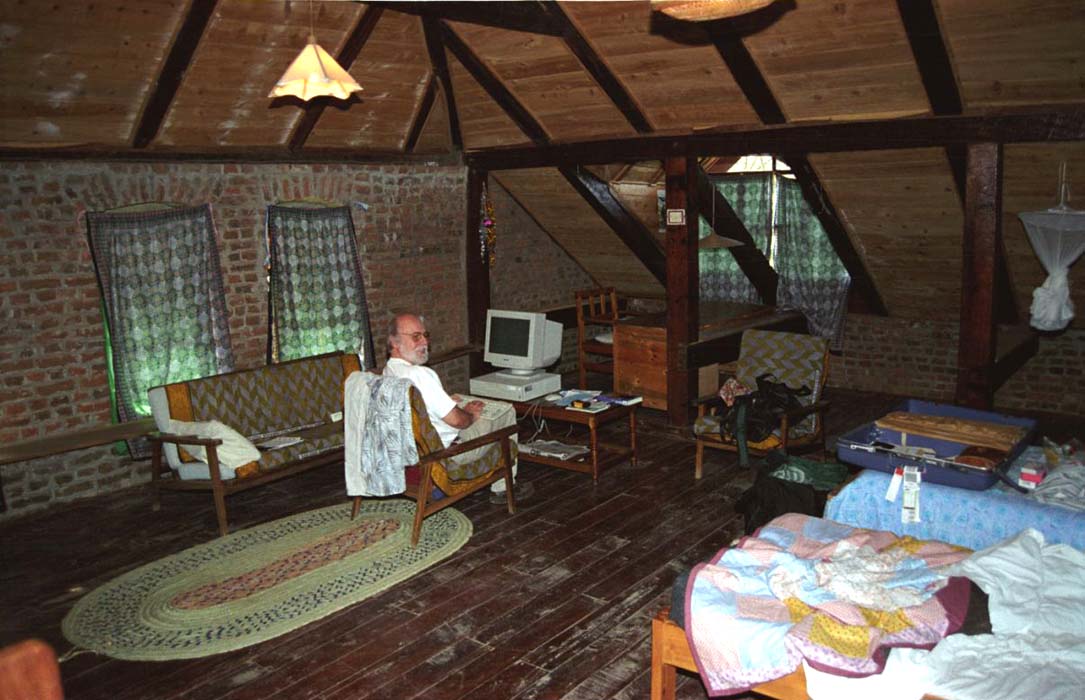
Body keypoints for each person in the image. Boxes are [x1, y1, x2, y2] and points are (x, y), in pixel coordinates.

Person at [383, 313, 517, 493]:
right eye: (416, 337)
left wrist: (447, 402)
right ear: (394, 342)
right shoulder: (420, 375)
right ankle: (504, 488)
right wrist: (470, 414)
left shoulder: (388, 372)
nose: (424, 342)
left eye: (425, 335)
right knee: (507, 411)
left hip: (413, 453)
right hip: (447, 454)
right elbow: (458, 421)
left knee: (463, 408)